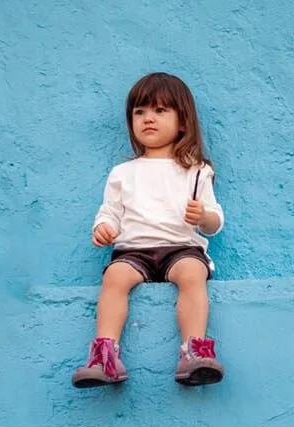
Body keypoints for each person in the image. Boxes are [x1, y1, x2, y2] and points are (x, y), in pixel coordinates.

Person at [72, 72, 226, 388]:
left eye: (160, 111)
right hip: (133, 251)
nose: (148, 119)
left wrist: (202, 217)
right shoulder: (123, 173)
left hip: (181, 248)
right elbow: (110, 212)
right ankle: (105, 355)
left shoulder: (196, 170)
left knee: (192, 274)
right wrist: (104, 228)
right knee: (114, 277)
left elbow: (215, 222)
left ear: (183, 122)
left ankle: (194, 350)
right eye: (139, 112)